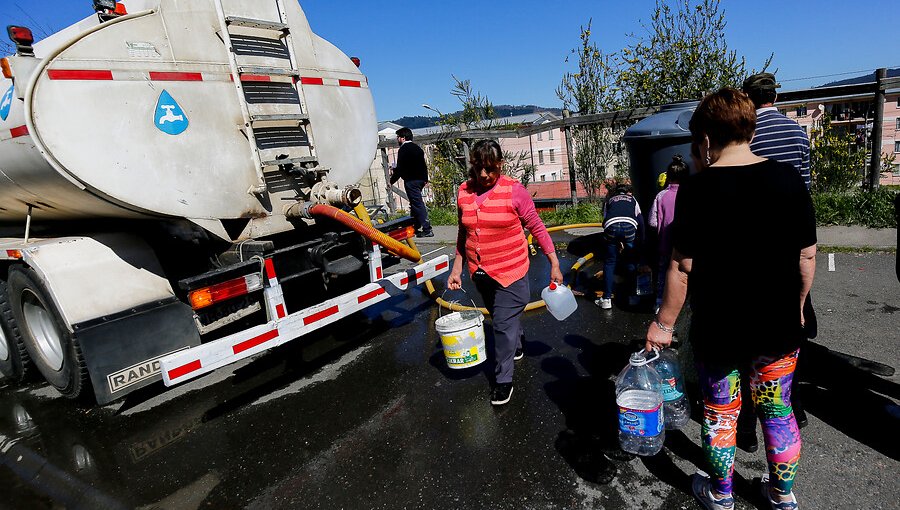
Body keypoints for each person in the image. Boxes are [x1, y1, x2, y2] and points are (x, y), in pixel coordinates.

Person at [646, 88, 816, 510]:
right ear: (749, 128)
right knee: (777, 410)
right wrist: (796, 305)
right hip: (777, 323)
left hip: (719, 327)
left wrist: (663, 325)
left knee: (721, 413)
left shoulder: (696, 191)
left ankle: (721, 495)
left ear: (705, 139)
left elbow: (682, 268)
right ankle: (781, 496)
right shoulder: (788, 180)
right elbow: (806, 257)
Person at [447, 139, 562, 406]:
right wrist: (457, 267)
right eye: (479, 169)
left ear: (500, 165)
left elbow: (537, 226)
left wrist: (554, 263)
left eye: (490, 168)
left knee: (501, 324)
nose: (484, 175)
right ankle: (517, 344)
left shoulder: (514, 191)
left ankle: (503, 380)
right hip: (481, 273)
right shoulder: (464, 192)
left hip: (511, 271)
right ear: (472, 166)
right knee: (503, 318)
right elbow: (463, 233)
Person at [742, 72, 814, 444]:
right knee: (790, 333)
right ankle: (794, 407)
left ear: (748, 99)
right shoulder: (797, 133)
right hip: (790, 243)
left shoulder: (748, 135)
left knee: (750, 341)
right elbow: (806, 189)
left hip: (752, 246)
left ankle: (748, 427)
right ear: (774, 95)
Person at [649, 155, 689, 313]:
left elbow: (652, 221)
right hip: (687, 245)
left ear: (668, 176)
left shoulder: (661, 196)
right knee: (684, 274)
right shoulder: (691, 194)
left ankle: (659, 303)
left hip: (666, 243)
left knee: (664, 273)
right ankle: (683, 305)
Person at [595, 184, 645, 310]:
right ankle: (633, 297)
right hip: (629, 225)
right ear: (628, 192)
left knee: (610, 261)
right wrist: (642, 240)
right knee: (630, 260)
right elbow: (641, 221)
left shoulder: (610, 200)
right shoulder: (633, 200)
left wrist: (614, 239)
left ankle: (606, 299)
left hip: (611, 225)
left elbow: (604, 221)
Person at [390, 127, 433, 237]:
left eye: (398, 137)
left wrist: (391, 181)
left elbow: (400, 169)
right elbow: (423, 166)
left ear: (403, 138)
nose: (397, 139)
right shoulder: (417, 148)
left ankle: (427, 228)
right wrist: (425, 179)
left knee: (417, 203)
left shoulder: (403, 150)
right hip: (420, 179)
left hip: (411, 180)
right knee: (414, 203)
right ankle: (415, 226)